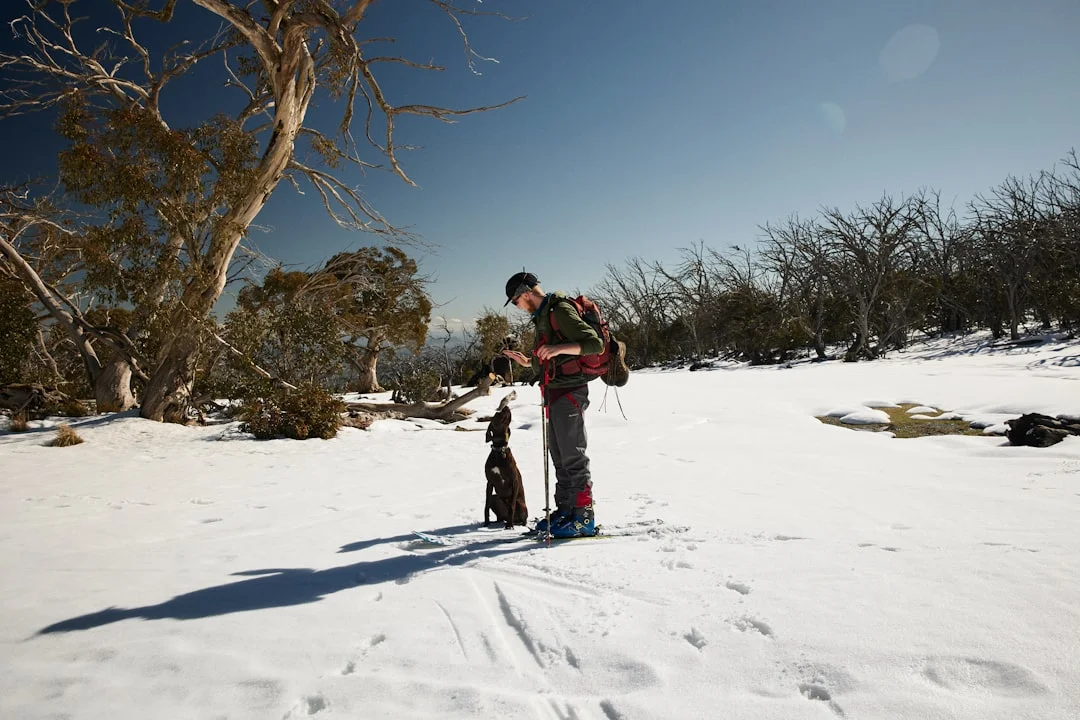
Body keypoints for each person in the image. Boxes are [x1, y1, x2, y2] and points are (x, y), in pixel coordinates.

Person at [501, 271, 603, 538]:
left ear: (524, 294)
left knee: (573, 455)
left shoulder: (559, 311)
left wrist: (559, 350)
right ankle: (567, 510)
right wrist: (527, 362)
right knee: (559, 455)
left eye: (515, 302)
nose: (518, 307)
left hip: (570, 391)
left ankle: (583, 518)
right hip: (555, 393)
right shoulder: (544, 316)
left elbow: (595, 344)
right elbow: (547, 355)